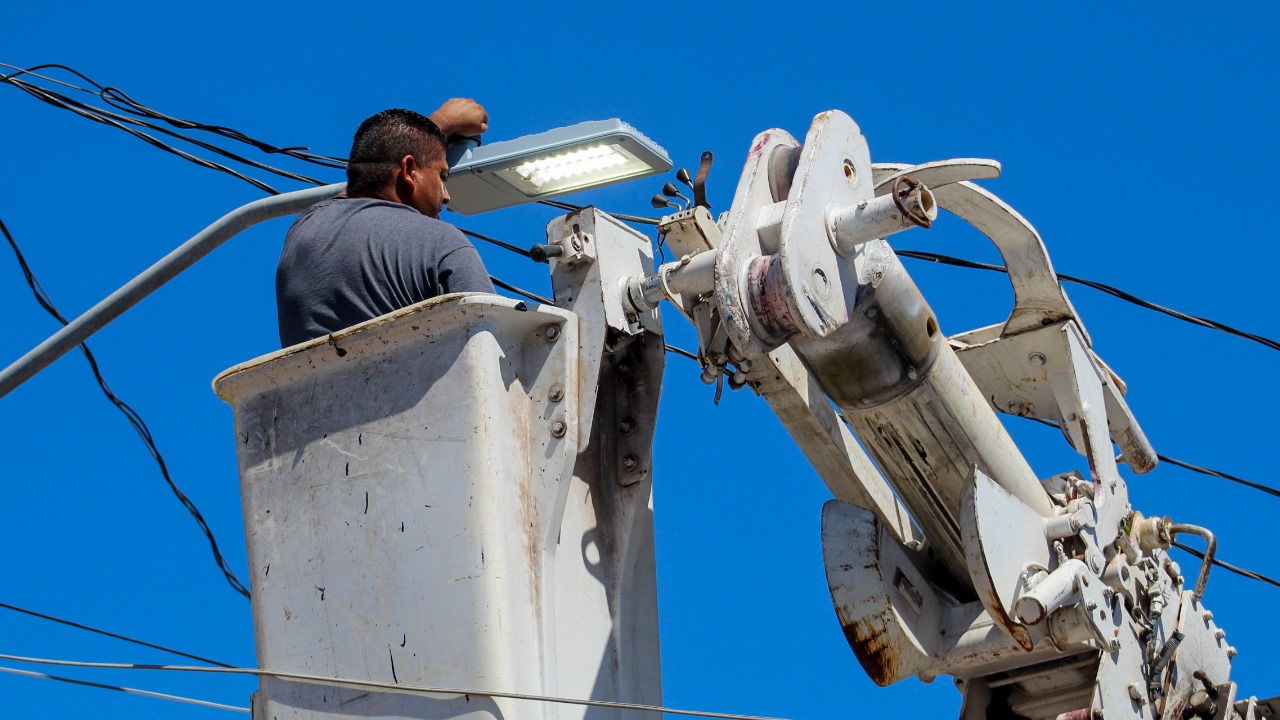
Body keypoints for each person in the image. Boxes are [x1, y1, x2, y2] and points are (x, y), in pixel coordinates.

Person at [276, 99, 495, 347]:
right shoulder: (440, 239)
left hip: (312, 386)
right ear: (409, 169)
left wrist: (441, 124)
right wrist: (440, 124)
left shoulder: (304, 230)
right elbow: (493, 340)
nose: (446, 196)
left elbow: (366, 182)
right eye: (441, 176)